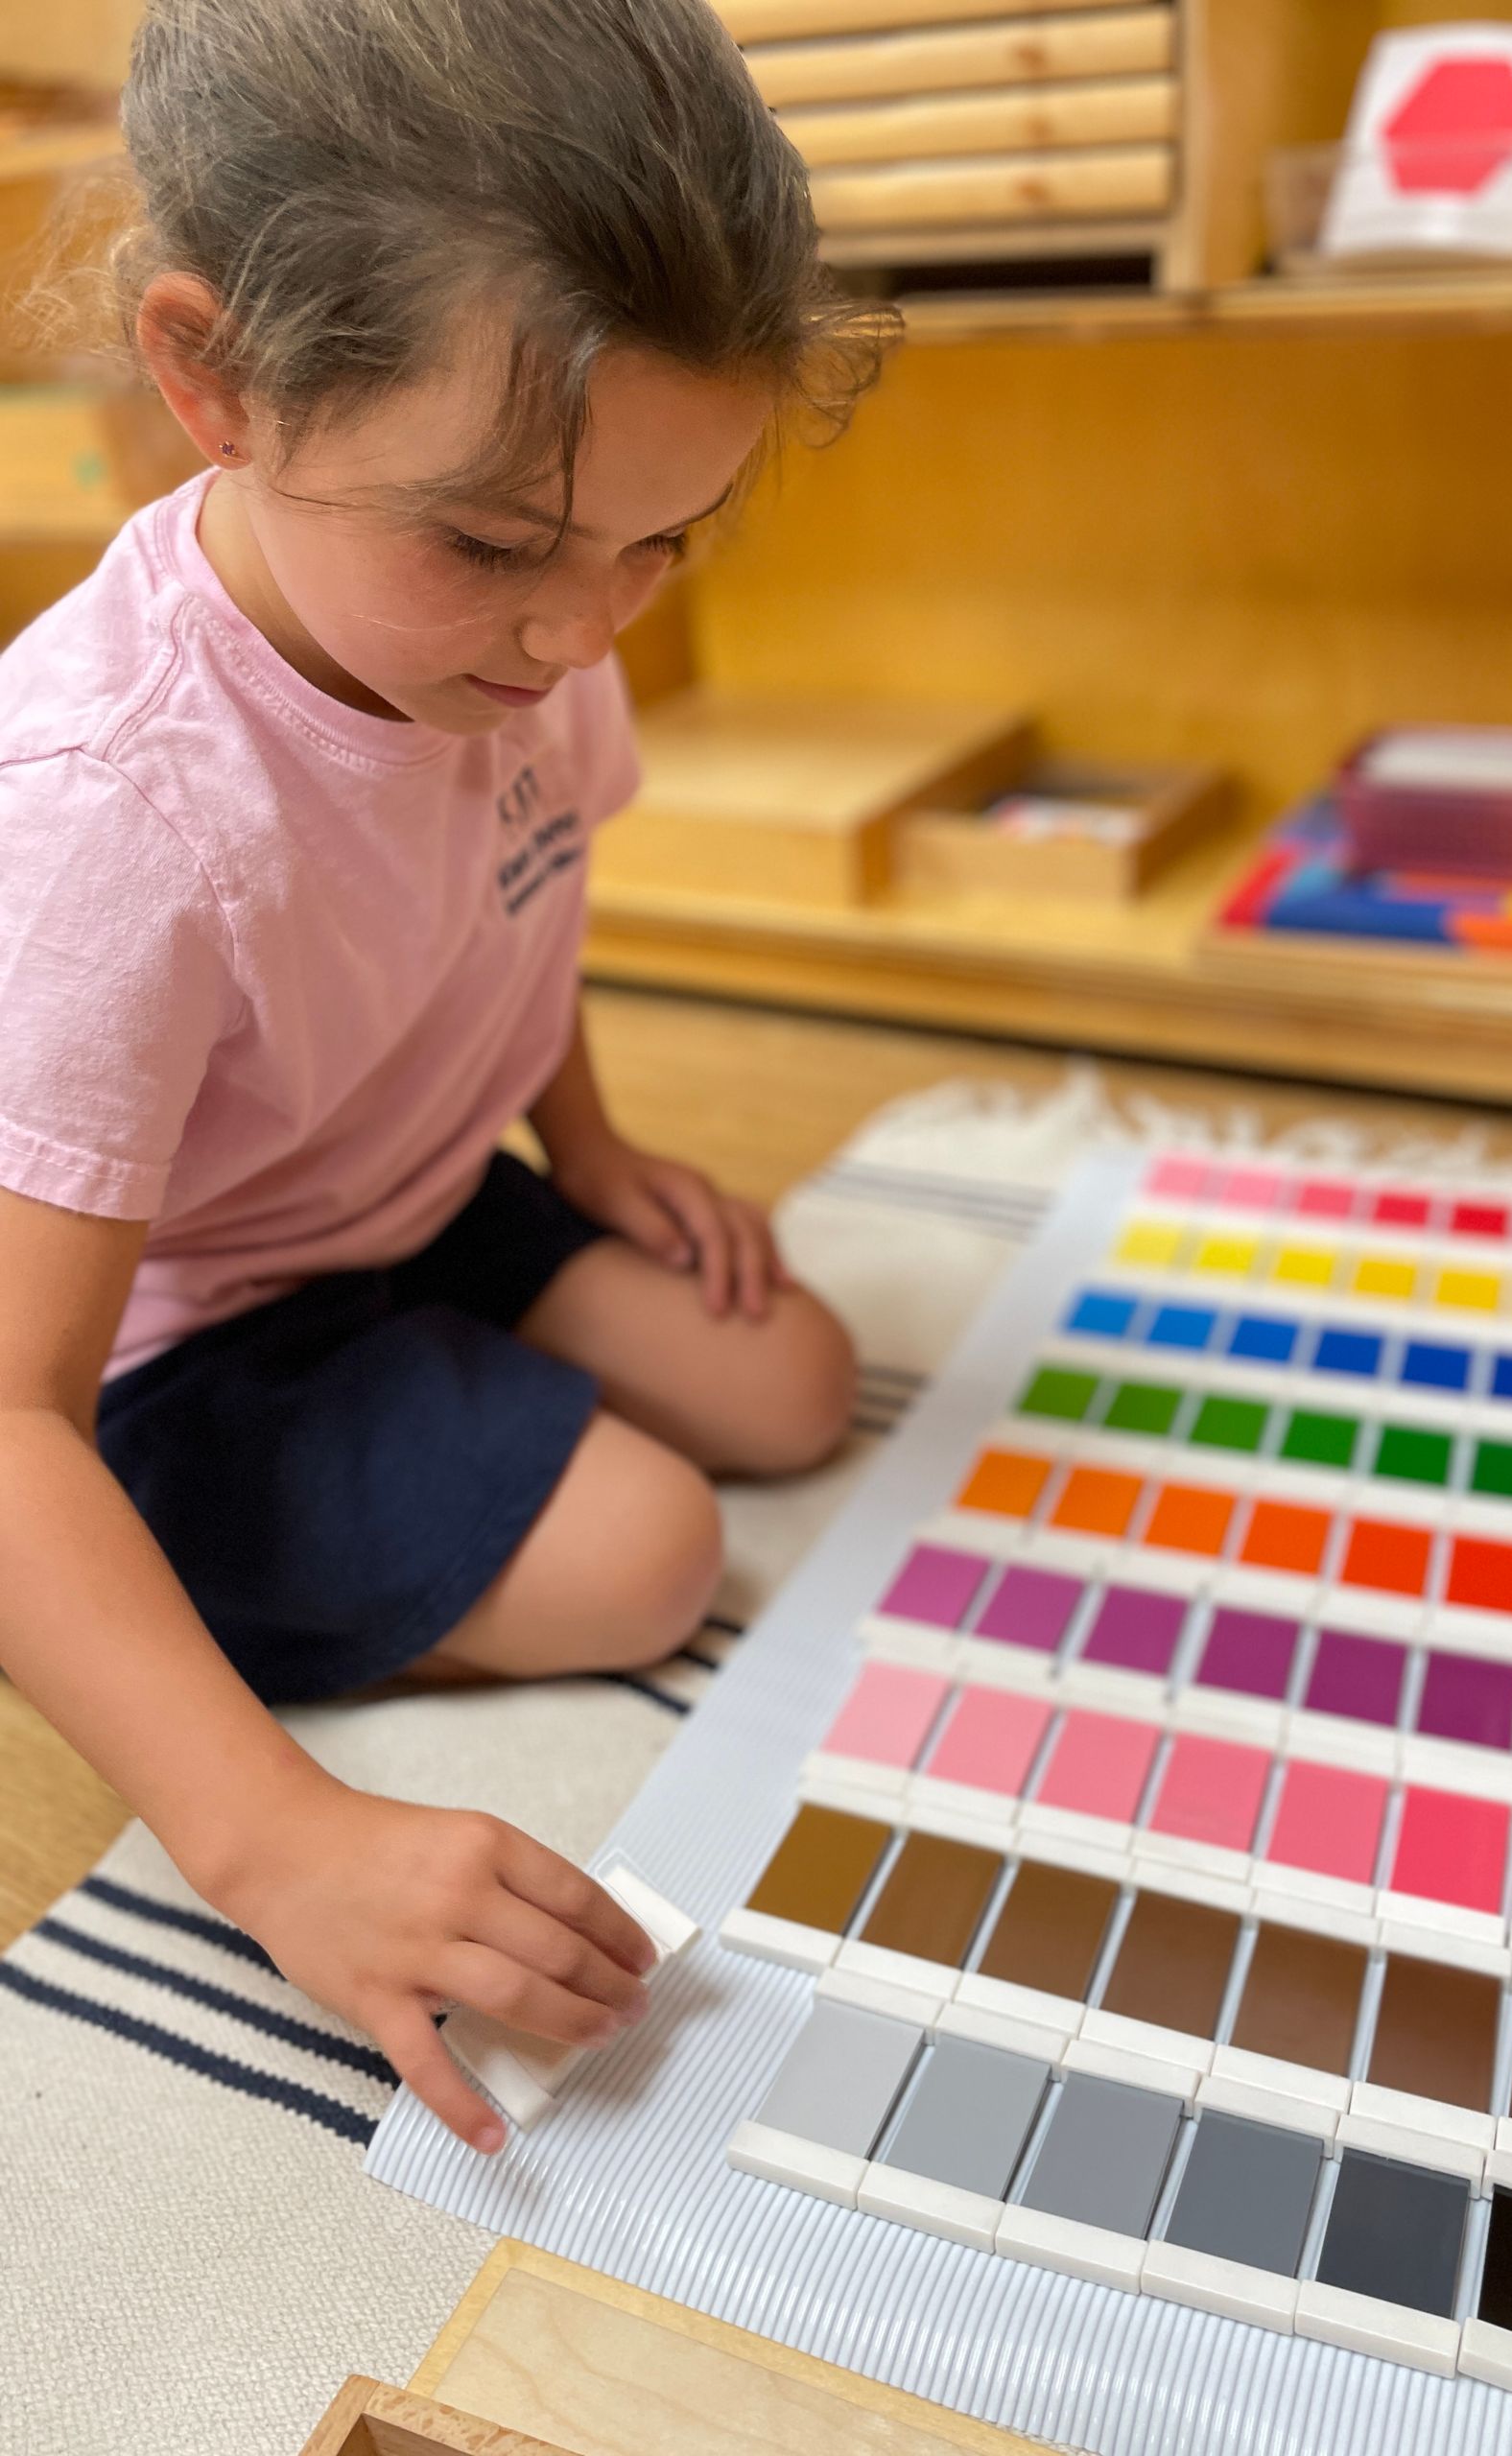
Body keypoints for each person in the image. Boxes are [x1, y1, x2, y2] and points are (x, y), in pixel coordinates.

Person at [0, 0, 889, 2152]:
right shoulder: (110, 810)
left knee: (791, 1377)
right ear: (212, 378)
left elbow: (528, 879)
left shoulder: (514, 619)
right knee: (652, 1549)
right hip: (172, 1344)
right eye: (497, 543)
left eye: (667, 540)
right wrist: (270, 1834)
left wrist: (587, 1144)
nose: (583, 632)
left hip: (409, 1179)